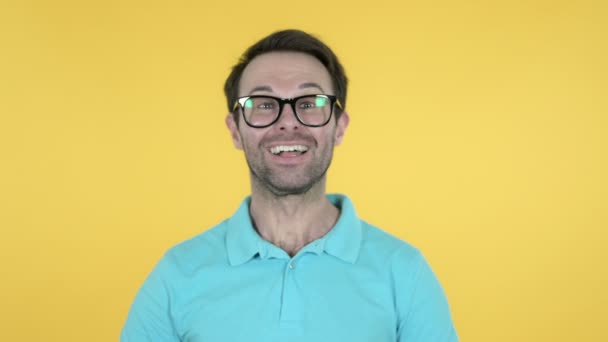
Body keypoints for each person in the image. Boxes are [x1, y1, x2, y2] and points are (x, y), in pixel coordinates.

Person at [121, 29, 458, 342]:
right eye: (263, 104)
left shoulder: (404, 273)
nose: (287, 122)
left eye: (309, 103)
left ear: (339, 127)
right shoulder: (178, 274)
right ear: (235, 130)